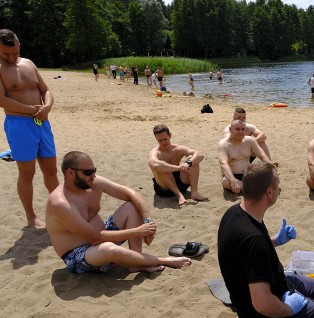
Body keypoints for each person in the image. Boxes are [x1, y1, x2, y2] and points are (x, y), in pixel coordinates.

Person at [218, 162, 314, 318]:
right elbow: (262, 303)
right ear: (269, 192)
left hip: (275, 283)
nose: (280, 189)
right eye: (278, 186)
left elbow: (245, 252)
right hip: (260, 311)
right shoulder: (255, 241)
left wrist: (275, 241)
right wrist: (287, 309)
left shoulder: (235, 212)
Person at [45, 151, 192, 274]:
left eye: (94, 170)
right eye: (88, 172)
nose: (93, 176)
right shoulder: (60, 203)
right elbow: (94, 237)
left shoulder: (94, 183)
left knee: (132, 206)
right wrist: (137, 231)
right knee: (109, 249)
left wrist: (148, 221)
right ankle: (160, 260)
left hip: (102, 239)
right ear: (70, 173)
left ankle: (135, 264)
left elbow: (132, 194)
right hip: (77, 254)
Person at [0, 29, 59, 228]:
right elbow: (1, 99)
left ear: (19, 45)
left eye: (15, 52)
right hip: (19, 124)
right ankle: (31, 217)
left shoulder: (28, 63)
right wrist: (29, 110)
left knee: (51, 170)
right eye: (6, 53)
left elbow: (45, 90)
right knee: (27, 173)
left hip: (42, 121)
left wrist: (47, 106)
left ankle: (60, 211)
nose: (11, 57)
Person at [147, 124, 207, 206]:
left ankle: (194, 193)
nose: (163, 142)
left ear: (170, 136)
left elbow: (199, 155)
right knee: (161, 166)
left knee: (192, 159)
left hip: (181, 183)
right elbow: (155, 165)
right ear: (156, 139)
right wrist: (179, 168)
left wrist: (188, 164)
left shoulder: (178, 148)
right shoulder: (155, 152)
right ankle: (179, 195)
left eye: (165, 139)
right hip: (164, 188)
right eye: (160, 141)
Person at [218, 119, 271, 194]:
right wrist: (233, 181)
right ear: (230, 129)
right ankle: (254, 190)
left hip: (248, 173)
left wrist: (270, 167)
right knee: (225, 182)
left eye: (243, 129)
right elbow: (223, 164)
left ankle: (251, 189)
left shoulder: (250, 141)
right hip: (233, 176)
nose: (240, 132)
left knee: (266, 172)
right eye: (237, 129)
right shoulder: (224, 144)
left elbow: (262, 156)